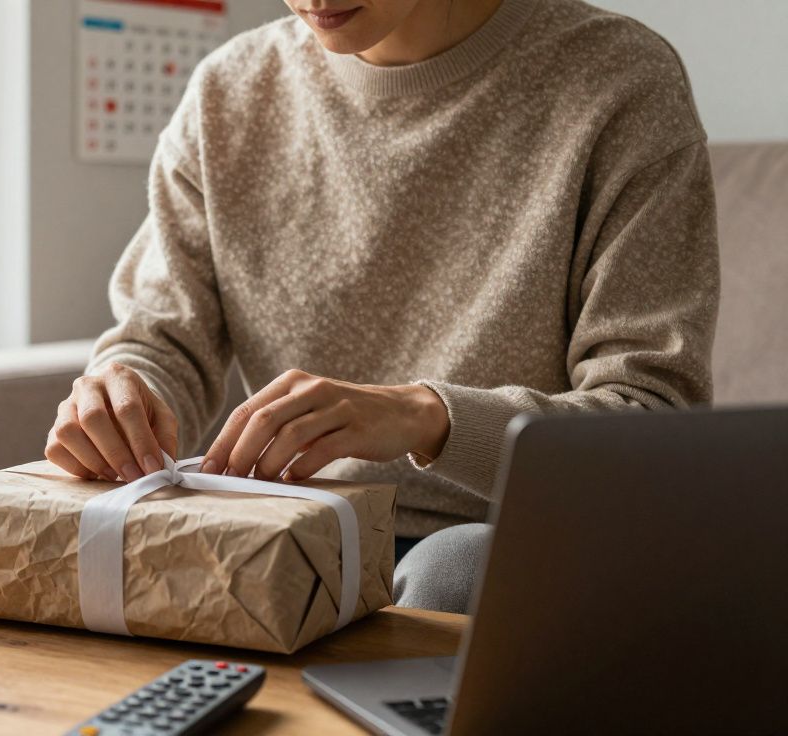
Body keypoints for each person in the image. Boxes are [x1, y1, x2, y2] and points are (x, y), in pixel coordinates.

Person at [45, 0, 719, 613]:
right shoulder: (229, 91)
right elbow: (162, 340)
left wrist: (426, 418)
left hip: (510, 542)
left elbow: (650, 424)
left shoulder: (619, 80)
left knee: (452, 570)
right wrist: (124, 393)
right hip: (299, 536)